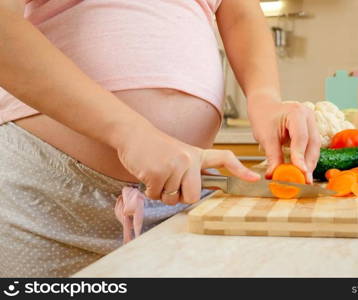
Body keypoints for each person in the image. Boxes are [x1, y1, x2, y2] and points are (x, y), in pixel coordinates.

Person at [0, 0, 320, 277]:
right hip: (49, 202)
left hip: (181, 197)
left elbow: (239, 13)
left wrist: (264, 97)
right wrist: (131, 133)